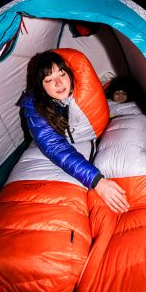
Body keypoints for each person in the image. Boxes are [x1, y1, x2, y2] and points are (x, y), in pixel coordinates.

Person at [19, 49, 129, 214]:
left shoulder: (80, 89)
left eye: (61, 74)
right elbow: (54, 146)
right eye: (49, 80)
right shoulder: (34, 106)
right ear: (40, 86)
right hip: (57, 142)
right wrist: (97, 181)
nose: (58, 83)